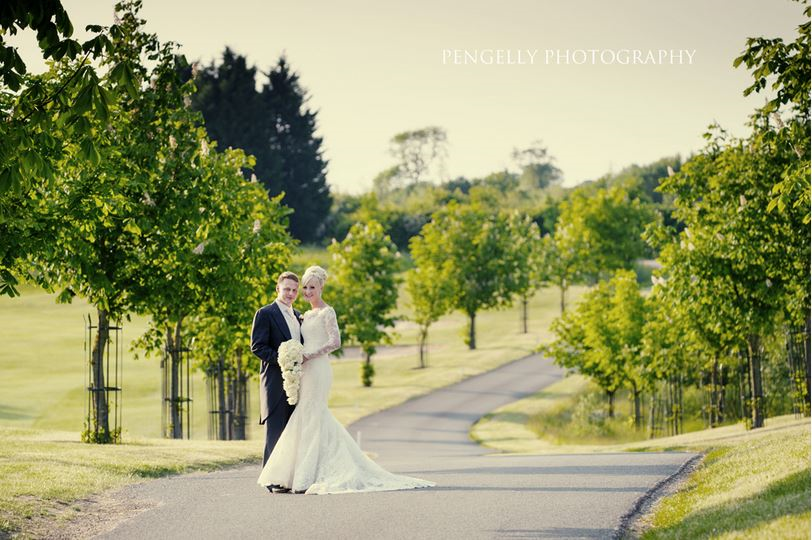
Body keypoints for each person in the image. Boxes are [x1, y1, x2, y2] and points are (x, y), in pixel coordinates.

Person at [257, 265, 435, 494]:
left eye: (310, 287)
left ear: (321, 287)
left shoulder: (324, 312)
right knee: (304, 418)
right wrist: (289, 359)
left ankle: (307, 474)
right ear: (279, 289)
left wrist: (309, 356)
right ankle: (294, 475)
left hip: (316, 368)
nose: (305, 292)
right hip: (300, 372)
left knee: (312, 414)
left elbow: (335, 342)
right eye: (304, 288)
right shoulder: (301, 315)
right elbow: (263, 346)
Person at [250, 271, 303, 493]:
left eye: (294, 290)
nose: (290, 293)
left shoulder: (298, 315)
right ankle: (272, 479)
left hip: (297, 381)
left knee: (292, 430)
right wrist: (283, 361)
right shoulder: (265, 313)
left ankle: (288, 478)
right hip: (274, 380)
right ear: (277, 289)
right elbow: (257, 346)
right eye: (286, 289)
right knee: (276, 430)